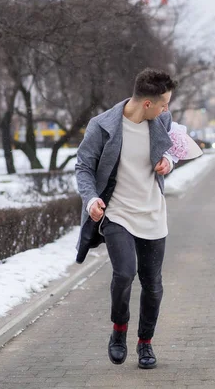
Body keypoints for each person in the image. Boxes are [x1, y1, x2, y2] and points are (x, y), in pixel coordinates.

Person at [75, 68, 178, 369]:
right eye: (163, 103)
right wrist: (92, 198)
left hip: (152, 213)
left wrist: (169, 161)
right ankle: (119, 330)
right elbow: (83, 166)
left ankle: (145, 343)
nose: (166, 109)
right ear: (148, 104)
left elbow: (178, 145)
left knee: (153, 284)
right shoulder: (103, 126)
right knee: (123, 273)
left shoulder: (162, 120)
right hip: (117, 212)